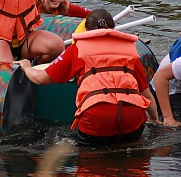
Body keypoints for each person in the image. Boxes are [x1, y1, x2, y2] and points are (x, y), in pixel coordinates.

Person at [16, 9, 152, 147]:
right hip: (133, 115)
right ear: (113, 30)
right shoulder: (130, 50)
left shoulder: (77, 49)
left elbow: (40, 78)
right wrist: (157, 119)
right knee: (133, 159)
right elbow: (145, 92)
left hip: (96, 116)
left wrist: (26, 66)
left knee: (87, 159)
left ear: (86, 30)